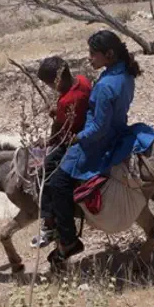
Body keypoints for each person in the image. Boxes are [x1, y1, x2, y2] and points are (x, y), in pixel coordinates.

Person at [44, 30, 144, 264]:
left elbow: (98, 127)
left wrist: (75, 138)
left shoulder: (106, 85)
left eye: (93, 54)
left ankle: (68, 240)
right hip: (118, 131)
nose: (89, 58)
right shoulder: (124, 75)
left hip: (98, 142)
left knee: (57, 183)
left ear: (109, 54)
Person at [30, 56, 92, 248]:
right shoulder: (82, 81)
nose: (50, 88)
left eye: (50, 84)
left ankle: (53, 225)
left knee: (44, 175)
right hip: (78, 132)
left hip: (74, 142)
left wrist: (46, 141)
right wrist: (57, 113)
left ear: (58, 80)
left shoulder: (68, 100)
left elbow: (62, 135)